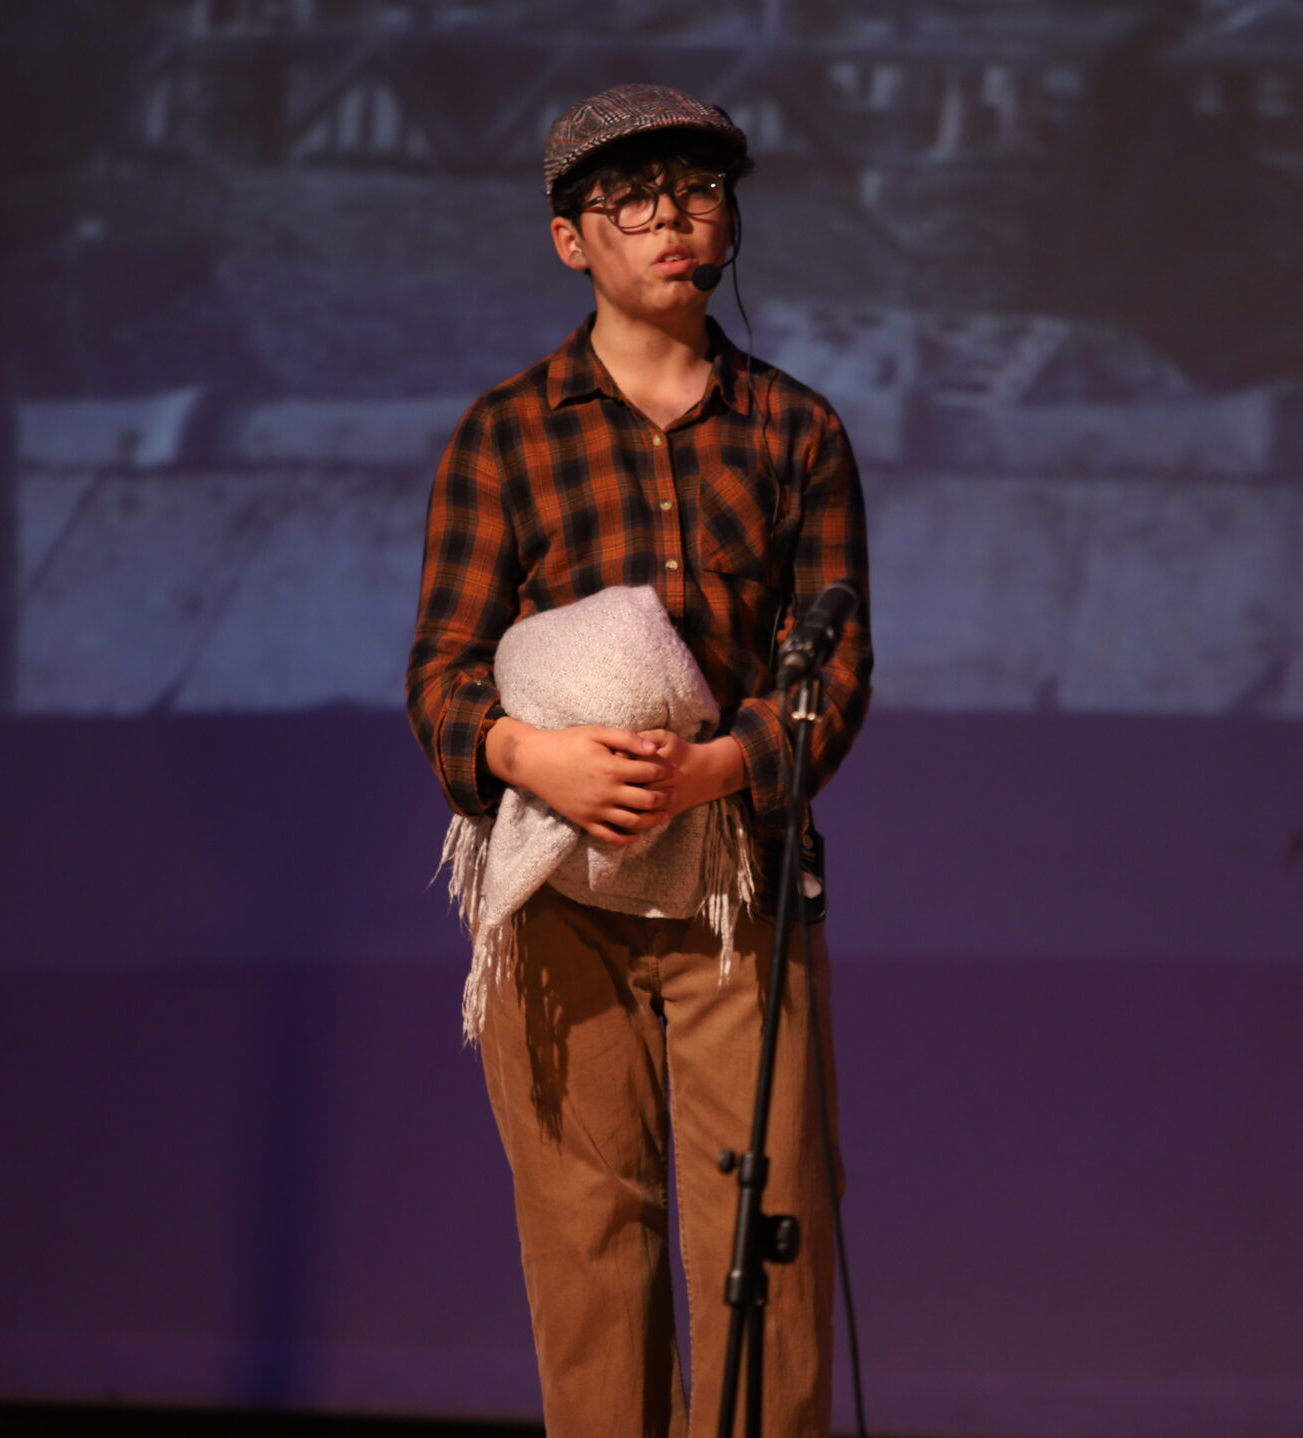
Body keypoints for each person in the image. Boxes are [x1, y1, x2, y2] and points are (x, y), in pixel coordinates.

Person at [404, 83, 873, 1438]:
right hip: (560, 891)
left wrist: (721, 767)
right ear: (571, 239)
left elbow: (835, 669)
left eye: (700, 192)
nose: (675, 219)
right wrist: (529, 755)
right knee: (588, 1246)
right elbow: (440, 675)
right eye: (634, 199)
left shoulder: (794, 430)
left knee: (769, 1245)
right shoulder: (508, 433)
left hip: (736, 889)